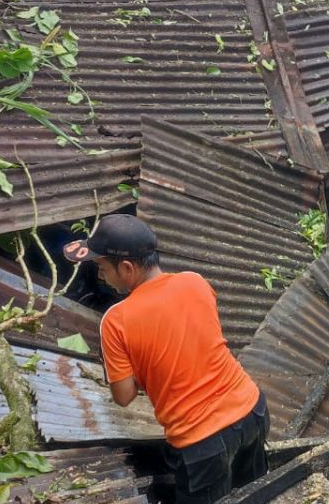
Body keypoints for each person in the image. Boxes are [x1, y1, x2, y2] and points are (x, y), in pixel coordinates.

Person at [64, 214, 269, 503]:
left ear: (126, 267)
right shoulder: (195, 281)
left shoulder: (115, 321)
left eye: (101, 268)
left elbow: (123, 396)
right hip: (252, 410)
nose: (100, 276)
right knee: (255, 495)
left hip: (202, 441)